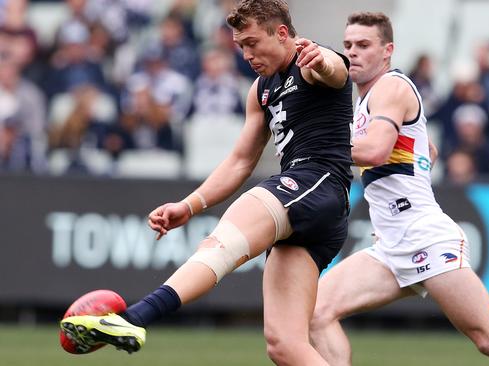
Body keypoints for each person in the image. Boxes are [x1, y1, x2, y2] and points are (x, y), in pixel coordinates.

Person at [60, 1, 353, 365]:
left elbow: (338, 72)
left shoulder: (312, 61)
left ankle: (135, 318)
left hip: (316, 183)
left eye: (251, 43)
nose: (246, 54)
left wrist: (323, 61)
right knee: (285, 346)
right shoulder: (261, 90)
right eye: (240, 46)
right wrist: (189, 204)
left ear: (281, 33)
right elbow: (240, 161)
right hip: (313, 211)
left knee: (222, 241)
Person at [309, 12, 489, 366]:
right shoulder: (367, 102)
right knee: (316, 311)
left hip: (423, 234)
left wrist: (315, 144)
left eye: (364, 45)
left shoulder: (391, 87)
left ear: (387, 51)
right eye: (348, 45)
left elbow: (376, 150)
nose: (353, 53)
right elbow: (429, 151)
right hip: (390, 243)